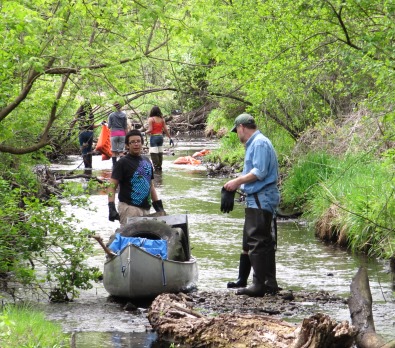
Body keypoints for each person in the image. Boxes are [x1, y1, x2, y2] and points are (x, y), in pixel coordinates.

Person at [222, 113, 280, 297]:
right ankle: (268, 283)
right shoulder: (255, 143)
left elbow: (260, 172)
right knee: (257, 240)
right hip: (256, 197)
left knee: (258, 241)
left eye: (236, 130)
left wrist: (236, 182)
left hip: (262, 197)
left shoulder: (260, 143)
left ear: (241, 127)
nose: (237, 135)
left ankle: (258, 285)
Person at [107, 129, 165, 226]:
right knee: (129, 239)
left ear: (142, 143)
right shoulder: (122, 163)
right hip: (129, 208)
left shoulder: (147, 161)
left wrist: (158, 206)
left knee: (144, 239)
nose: (136, 144)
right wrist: (111, 207)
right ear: (127, 145)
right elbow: (112, 186)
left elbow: (150, 186)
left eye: (138, 141)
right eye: (132, 142)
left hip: (146, 209)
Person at [73, 102, 101, 174]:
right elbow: (93, 126)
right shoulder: (91, 115)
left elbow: (73, 121)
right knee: (89, 151)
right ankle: (89, 167)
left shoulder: (79, 114)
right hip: (90, 133)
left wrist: (70, 131)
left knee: (84, 151)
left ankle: (86, 167)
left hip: (82, 133)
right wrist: (100, 124)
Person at [145, 106, 174, 171]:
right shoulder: (162, 119)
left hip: (154, 137)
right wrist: (170, 138)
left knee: (153, 152)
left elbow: (150, 129)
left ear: (152, 111)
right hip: (160, 137)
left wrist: (144, 133)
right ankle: (160, 167)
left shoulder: (151, 119)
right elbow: (166, 130)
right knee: (160, 152)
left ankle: (156, 168)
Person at [108, 102, 128, 166]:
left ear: (114, 107)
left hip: (114, 134)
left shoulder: (111, 115)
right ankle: (122, 165)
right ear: (120, 107)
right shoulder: (124, 115)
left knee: (113, 151)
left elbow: (109, 126)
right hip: (122, 134)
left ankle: (114, 166)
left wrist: (105, 124)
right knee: (121, 151)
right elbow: (125, 127)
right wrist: (127, 136)